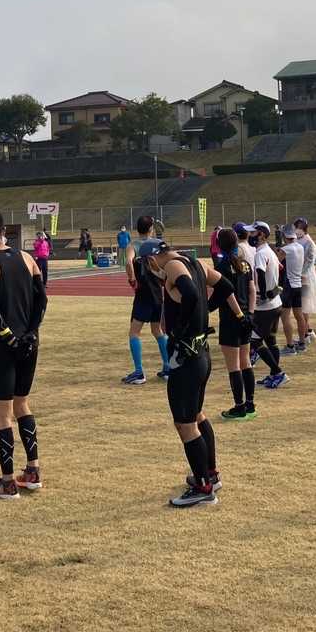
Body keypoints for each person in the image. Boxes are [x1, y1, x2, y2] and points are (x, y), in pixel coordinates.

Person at [147, 240, 241, 507]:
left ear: (153, 259)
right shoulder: (197, 262)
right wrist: (205, 310)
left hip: (187, 356)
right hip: (200, 353)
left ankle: (203, 488)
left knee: (185, 424)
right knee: (197, 415)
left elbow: (190, 294)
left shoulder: (172, 265)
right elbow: (226, 286)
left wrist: (181, 326)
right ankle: (210, 474)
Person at [0, 207, 49, 499]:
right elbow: (42, 299)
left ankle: (6, 482)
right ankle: (33, 471)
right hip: (30, 343)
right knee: (22, 404)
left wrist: (9, 337)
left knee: (2, 414)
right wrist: (30, 333)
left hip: (3, 347)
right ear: (4, 229)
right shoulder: (28, 258)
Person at [214, 226, 258, 420]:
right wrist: (250, 314)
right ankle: (250, 404)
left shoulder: (221, 267)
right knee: (245, 361)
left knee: (234, 365)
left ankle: (239, 406)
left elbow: (227, 293)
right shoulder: (245, 264)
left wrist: (239, 315)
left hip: (231, 319)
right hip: (247, 318)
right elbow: (252, 289)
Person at [122, 215, 170, 385]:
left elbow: (128, 262)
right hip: (158, 293)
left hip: (143, 294)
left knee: (134, 332)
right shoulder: (159, 243)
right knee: (158, 331)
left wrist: (132, 279)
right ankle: (168, 368)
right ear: (151, 228)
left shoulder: (133, 245)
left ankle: (139, 372)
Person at [250, 222, 289, 389]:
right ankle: (274, 374)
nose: (250, 236)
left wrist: (263, 295)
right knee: (270, 340)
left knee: (254, 340)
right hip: (276, 303)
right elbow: (279, 269)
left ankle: (278, 373)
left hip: (265, 307)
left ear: (261, 235)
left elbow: (260, 273)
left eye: (253, 233)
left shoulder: (260, 254)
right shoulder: (269, 251)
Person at [278, 225, 306, 354]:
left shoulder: (285, 249)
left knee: (285, 316)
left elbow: (275, 262)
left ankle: (290, 346)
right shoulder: (300, 247)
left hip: (288, 284)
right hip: (298, 284)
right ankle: (302, 343)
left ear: (285, 236)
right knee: (299, 315)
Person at [294, 217, 316, 347]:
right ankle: (308, 331)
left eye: (299, 228)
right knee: (302, 307)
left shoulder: (309, 242)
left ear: (304, 229)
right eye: (296, 227)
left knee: (304, 307)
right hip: (299, 275)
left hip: (305, 277)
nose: (297, 230)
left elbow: (309, 260)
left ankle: (305, 334)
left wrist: (301, 273)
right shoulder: (298, 240)